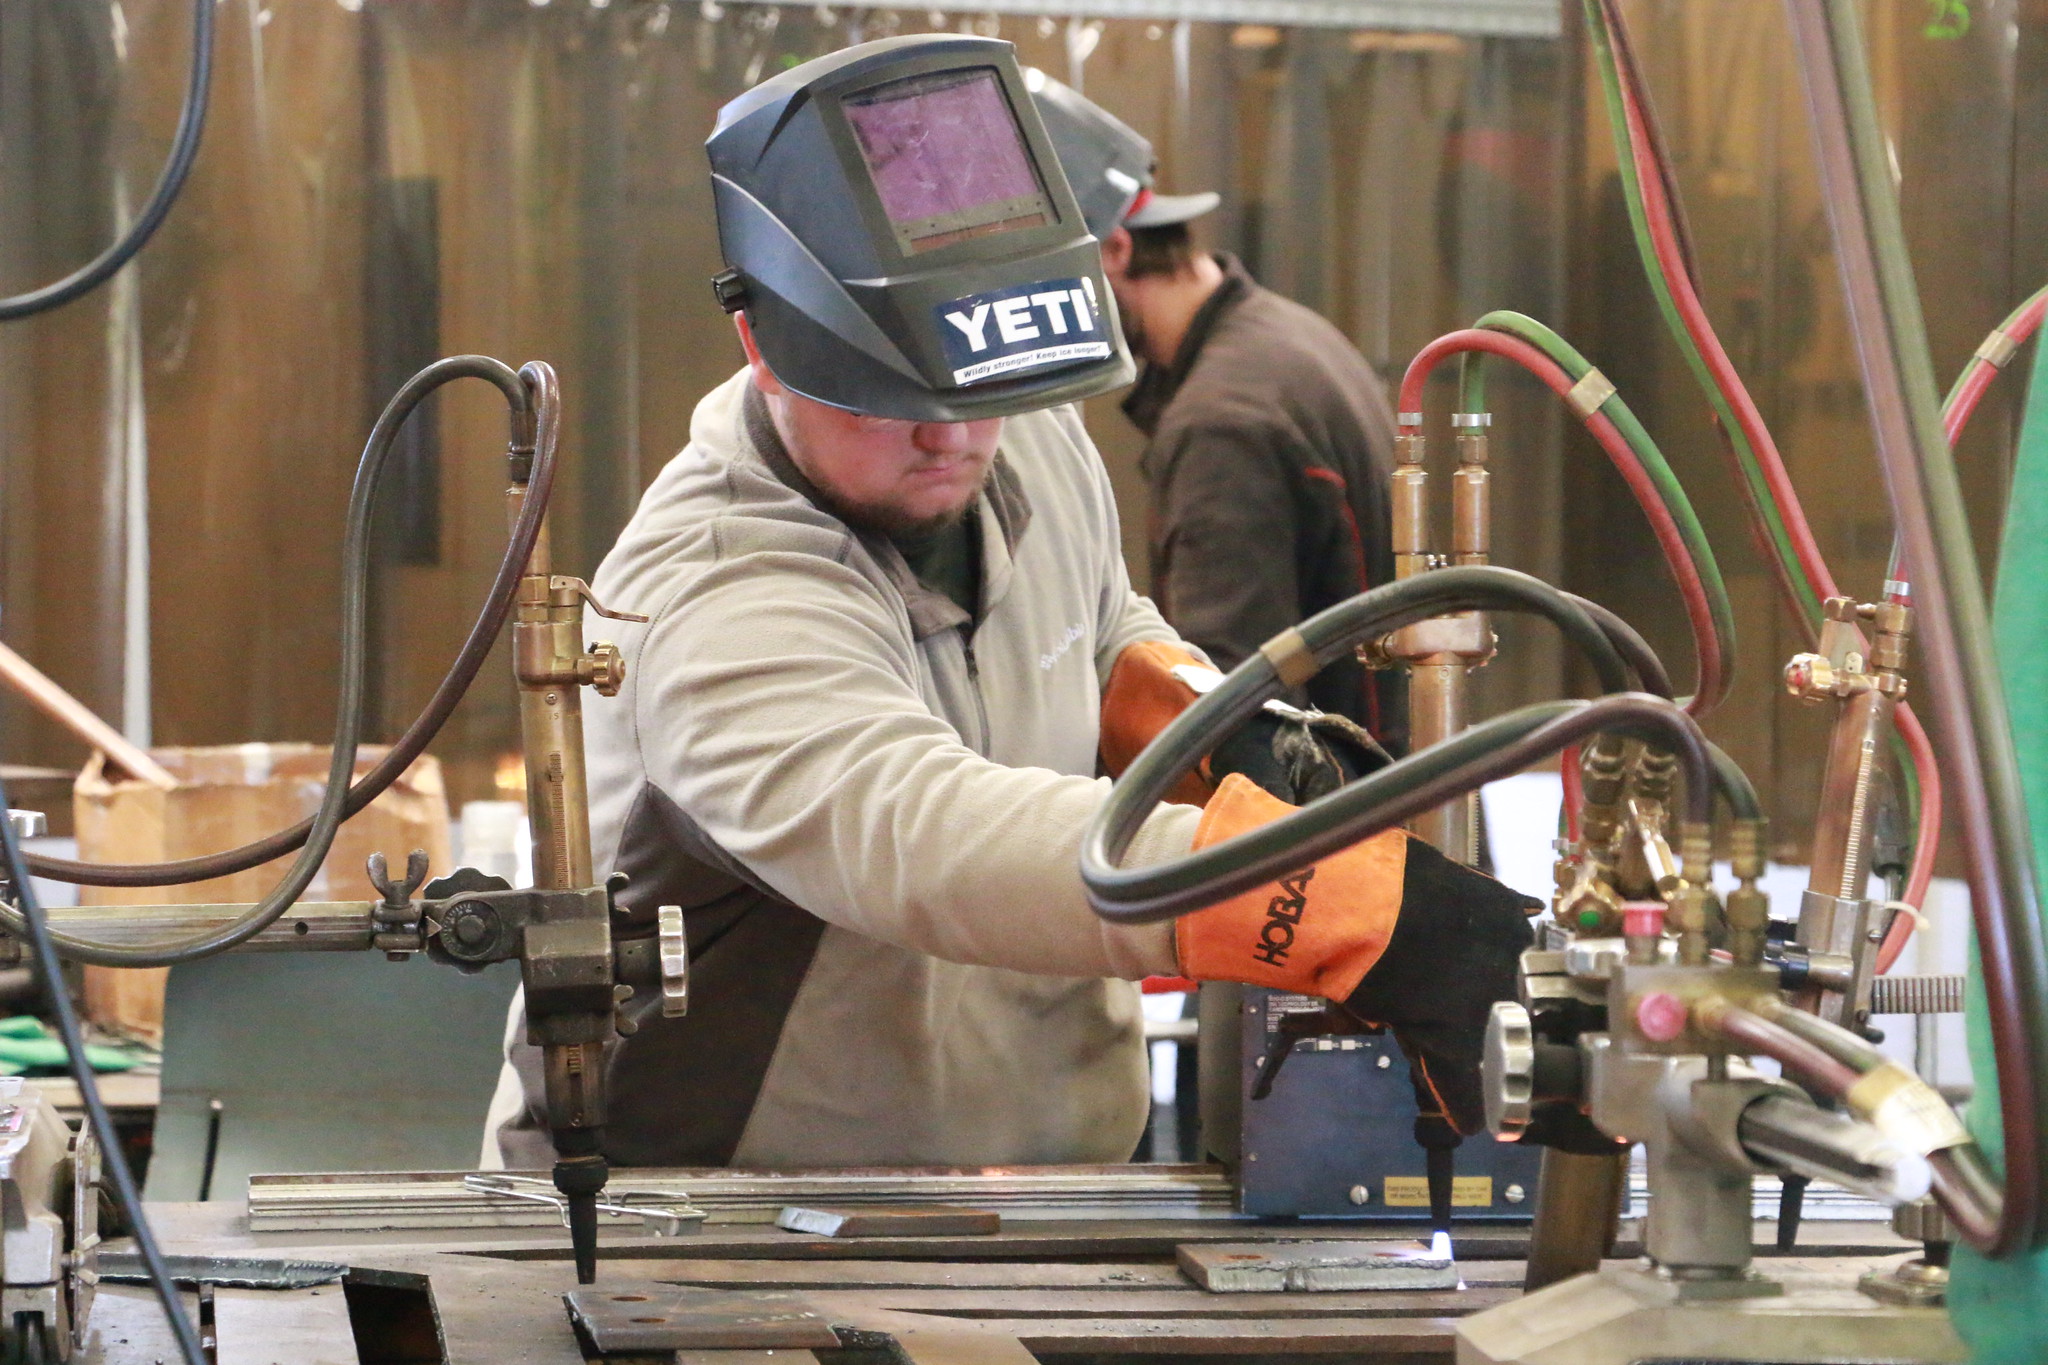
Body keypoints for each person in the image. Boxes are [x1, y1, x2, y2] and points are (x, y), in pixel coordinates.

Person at [486, 35, 1533, 1171]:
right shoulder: (711, 587)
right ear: (763, 344)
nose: (952, 439)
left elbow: (1101, 621)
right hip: (729, 1211)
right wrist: (1305, 899)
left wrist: (1203, 720)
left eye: (977, 394)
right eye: (891, 399)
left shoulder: (1014, 421)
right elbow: (926, 835)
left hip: (1046, 1186)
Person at [1049, 102, 1404, 749]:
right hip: (1380, 775)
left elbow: (1231, 704)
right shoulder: (1285, 336)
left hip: (1335, 802)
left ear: (1117, 249)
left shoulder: (1222, 425)